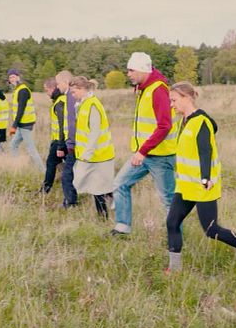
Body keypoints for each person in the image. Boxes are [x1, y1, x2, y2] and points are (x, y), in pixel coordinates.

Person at [165, 82, 236, 272]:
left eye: (173, 100)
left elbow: (205, 151)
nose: (171, 104)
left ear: (186, 97)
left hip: (202, 186)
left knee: (211, 229)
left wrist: (205, 178)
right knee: (172, 222)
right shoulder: (182, 122)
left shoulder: (202, 122)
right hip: (185, 186)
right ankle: (174, 270)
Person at [111, 52, 179, 235]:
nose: (128, 74)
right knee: (119, 184)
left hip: (160, 156)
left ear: (142, 70)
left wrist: (143, 151)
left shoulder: (157, 89)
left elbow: (164, 126)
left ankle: (176, 239)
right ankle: (122, 228)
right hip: (144, 155)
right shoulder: (145, 88)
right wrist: (142, 152)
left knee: (168, 199)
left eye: (131, 70)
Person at [69, 76, 115, 219]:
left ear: (82, 89)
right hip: (91, 156)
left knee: (97, 188)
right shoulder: (84, 104)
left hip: (99, 156)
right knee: (96, 188)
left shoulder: (93, 105)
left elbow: (95, 132)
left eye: (74, 91)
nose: (72, 95)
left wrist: (87, 154)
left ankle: (105, 215)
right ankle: (108, 209)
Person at [40, 76, 77, 204]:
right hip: (61, 141)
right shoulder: (60, 100)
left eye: (46, 90)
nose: (46, 93)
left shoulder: (60, 102)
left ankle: (46, 189)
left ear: (52, 88)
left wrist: (60, 145)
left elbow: (63, 125)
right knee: (68, 167)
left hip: (61, 141)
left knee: (51, 163)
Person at [7, 68, 45, 172]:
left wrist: (14, 126)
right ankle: (17, 167)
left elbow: (21, 110)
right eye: (10, 77)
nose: (12, 79)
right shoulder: (17, 90)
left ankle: (43, 171)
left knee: (31, 149)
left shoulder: (23, 90)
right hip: (21, 124)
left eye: (13, 76)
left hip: (25, 124)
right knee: (13, 145)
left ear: (18, 77)